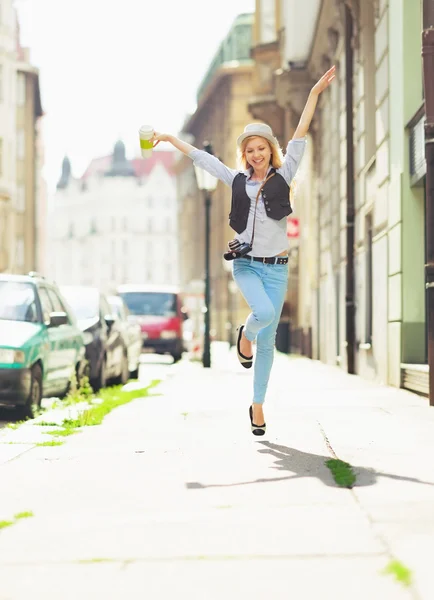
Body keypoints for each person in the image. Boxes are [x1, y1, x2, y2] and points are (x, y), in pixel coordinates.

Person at [152, 65, 336, 436]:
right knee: (264, 314)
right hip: (247, 265)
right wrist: (172, 139)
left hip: (278, 267)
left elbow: (300, 135)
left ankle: (257, 406)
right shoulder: (235, 180)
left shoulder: (284, 177)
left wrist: (314, 94)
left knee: (268, 341)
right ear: (245, 154)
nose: (256, 155)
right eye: (249, 150)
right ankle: (244, 334)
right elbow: (205, 161)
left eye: (261, 148)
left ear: (271, 150)